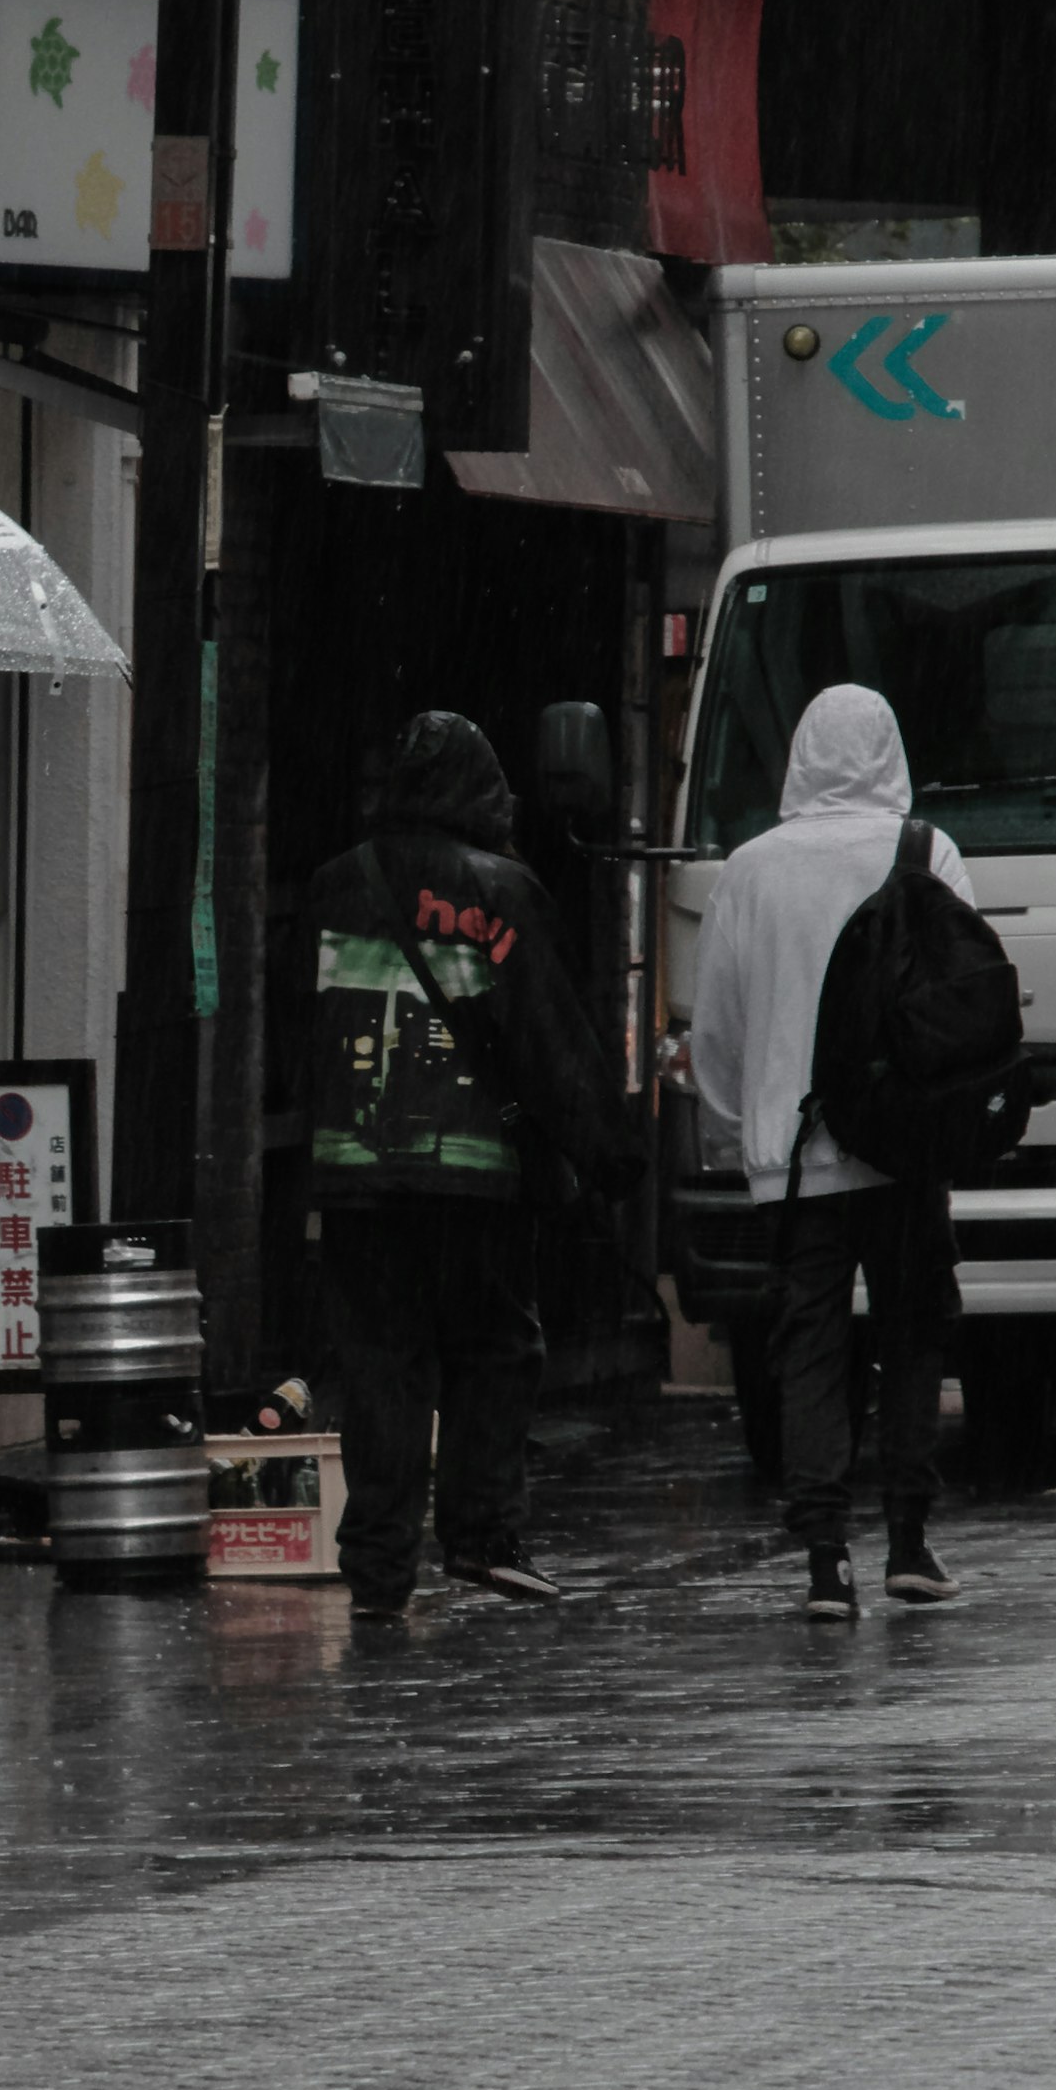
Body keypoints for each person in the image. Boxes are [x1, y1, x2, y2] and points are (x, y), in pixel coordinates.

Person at [303, 710, 641, 1618]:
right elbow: (549, 1044)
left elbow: (302, 1033)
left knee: (381, 1363)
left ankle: (376, 1568)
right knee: (495, 1346)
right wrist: (610, 1158)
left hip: (356, 1173)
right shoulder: (503, 891)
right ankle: (482, 1537)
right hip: (474, 1176)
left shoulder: (335, 887)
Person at [692, 684, 971, 1622]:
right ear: (889, 751)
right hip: (902, 1145)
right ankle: (909, 1541)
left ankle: (823, 1561)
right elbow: (968, 1001)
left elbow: (718, 1029)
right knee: (910, 1333)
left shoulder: (750, 870)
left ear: (802, 755)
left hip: (792, 1156)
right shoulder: (927, 851)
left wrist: (740, 1133)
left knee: (807, 1347)